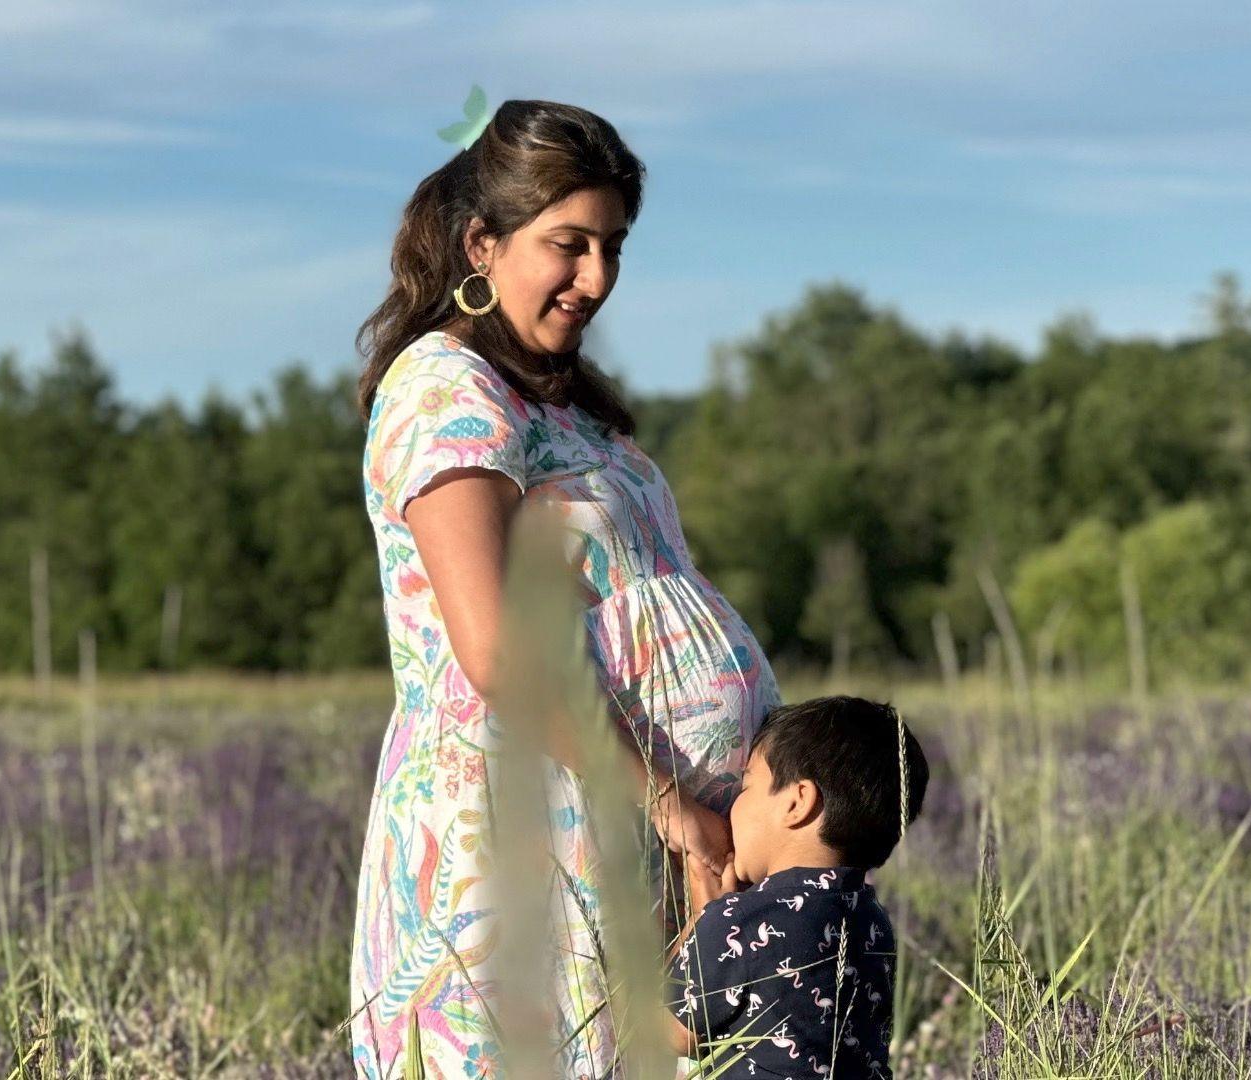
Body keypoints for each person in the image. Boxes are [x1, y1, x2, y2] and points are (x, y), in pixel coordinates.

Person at [348, 98, 782, 1078]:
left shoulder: (560, 399)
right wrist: (670, 804)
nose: (596, 278)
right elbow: (497, 649)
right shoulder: (447, 387)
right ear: (481, 242)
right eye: (569, 244)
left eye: (614, 248)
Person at [664, 695, 929, 1078]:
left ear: (797, 802)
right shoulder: (875, 923)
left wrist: (703, 912)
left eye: (746, 787)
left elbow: (671, 1033)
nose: (733, 806)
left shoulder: (741, 919)